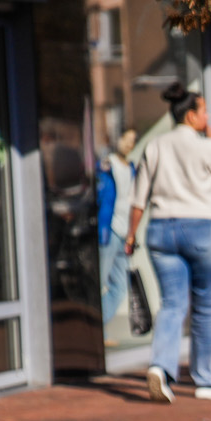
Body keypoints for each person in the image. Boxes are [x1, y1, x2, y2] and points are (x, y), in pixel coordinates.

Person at [125, 85, 211, 403]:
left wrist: (131, 235)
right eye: (204, 112)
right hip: (201, 229)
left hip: (161, 230)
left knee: (173, 304)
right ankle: (207, 380)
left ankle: (161, 368)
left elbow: (139, 198)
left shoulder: (155, 145)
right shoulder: (206, 147)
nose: (207, 117)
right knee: (205, 304)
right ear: (191, 115)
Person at [97, 129, 137, 328]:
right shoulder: (106, 165)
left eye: (133, 141)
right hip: (109, 231)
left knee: (120, 288)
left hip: (125, 232)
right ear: (118, 138)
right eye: (126, 139)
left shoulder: (132, 168)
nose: (129, 144)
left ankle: (98, 325)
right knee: (99, 283)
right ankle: (94, 329)